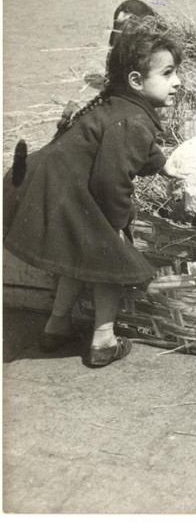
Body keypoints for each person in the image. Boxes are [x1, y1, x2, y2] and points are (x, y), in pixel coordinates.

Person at [3, 28, 184, 369]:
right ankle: (103, 340)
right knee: (109, 261)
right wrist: (117, 224)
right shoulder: (133, 120)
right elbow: (112, 180)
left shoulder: (118, 106)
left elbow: (129, 150)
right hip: (62, 192)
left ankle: (55, 327)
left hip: (48, 187)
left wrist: (163, 167)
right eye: (168, 73)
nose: (178, 82)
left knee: (77, 254)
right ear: (135, 80)